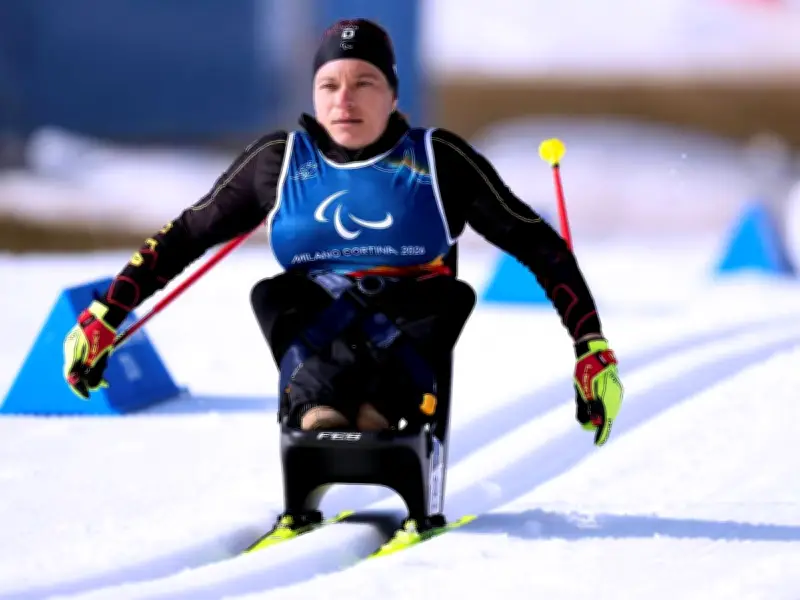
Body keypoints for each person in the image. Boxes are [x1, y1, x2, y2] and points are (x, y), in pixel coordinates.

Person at [62, 18, 623, 535]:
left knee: (448, 296)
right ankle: (319, 417)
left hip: (412, 325)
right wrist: (107, 313)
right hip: (313, 329)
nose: (345, 100)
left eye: (365, 83)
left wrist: (589, 345)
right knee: (273, 293)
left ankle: (380, 419)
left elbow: (539, 244)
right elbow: (185, 235)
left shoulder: (437, 158)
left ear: (394, 95)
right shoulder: (277, 162)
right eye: (329, 84)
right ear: (313, 94)